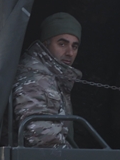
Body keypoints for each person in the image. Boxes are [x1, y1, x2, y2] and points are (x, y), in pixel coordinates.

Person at [13, 12, 83, 148]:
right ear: (46, 44)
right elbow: (45, 140)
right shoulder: (36, 80)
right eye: (62, 44)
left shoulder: (54, 75)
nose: (69, 52)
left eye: (74, 46)